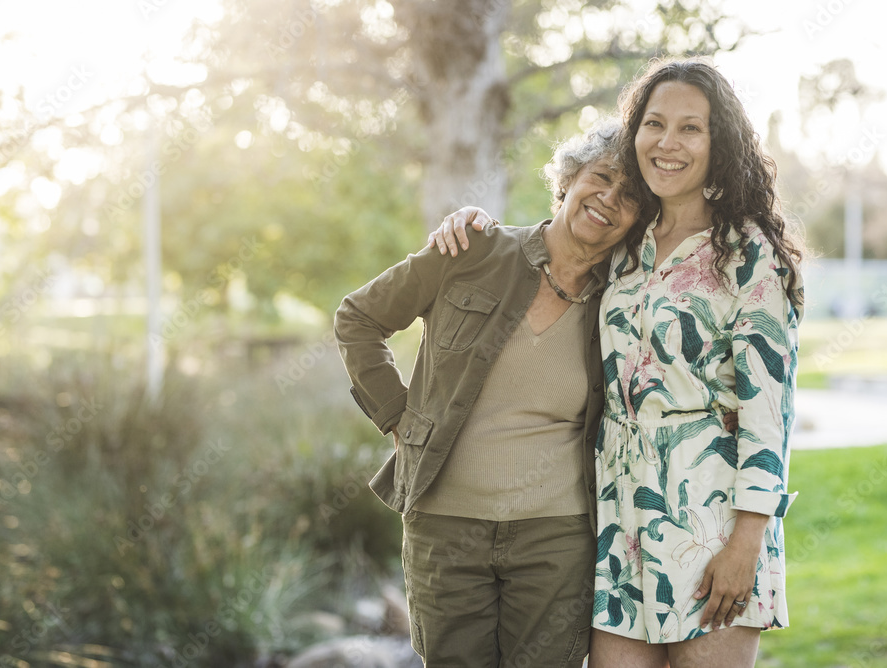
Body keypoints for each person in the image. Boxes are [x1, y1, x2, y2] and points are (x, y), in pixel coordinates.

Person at [429, 58, 804, 668]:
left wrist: (748, 545)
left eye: (691, 128)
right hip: (619, 524)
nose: (668, 142)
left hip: (712, 523)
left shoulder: (748, 255)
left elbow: (770, 414)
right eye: (654, 123)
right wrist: (474, 227)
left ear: (721, 143)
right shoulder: (626, 247)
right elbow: (552, 250)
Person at [334, 120, 641, 667]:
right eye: (601, 178)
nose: (608, 200)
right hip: (445, 529)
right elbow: (358, 318)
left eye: (631, 196)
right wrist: (398, 417)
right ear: (569, 179)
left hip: (557, 537)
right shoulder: (473, 248)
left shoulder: (626, 298)